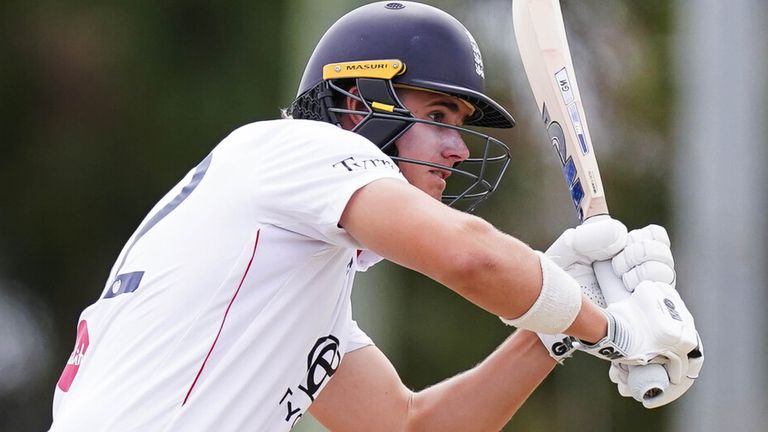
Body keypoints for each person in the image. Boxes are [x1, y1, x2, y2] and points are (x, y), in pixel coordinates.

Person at [49, 2, 702, 431]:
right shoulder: (298, 146)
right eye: (438, 115)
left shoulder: (291, 276)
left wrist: (554, 331)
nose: (458, 148)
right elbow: (470, 257)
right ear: (357, 105)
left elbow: (408, 425)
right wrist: (612, 330)